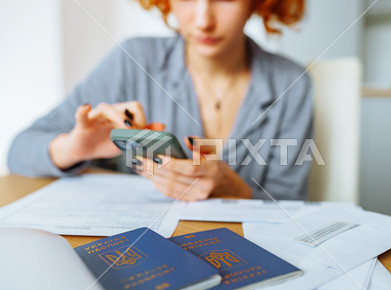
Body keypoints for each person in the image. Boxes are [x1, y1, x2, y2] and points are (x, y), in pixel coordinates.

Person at [8, 0, 313, 201]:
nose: (203, 19)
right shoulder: (132, 60)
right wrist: (74, 148)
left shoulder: (291, 84)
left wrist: (236, 191)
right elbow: (19, 150)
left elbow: (290, 208)